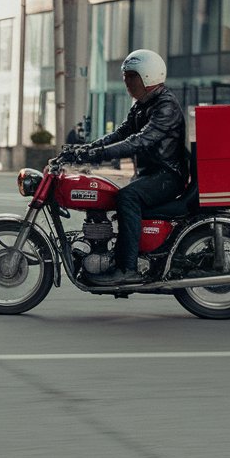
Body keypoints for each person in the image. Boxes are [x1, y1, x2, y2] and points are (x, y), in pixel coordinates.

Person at [74, 49, 188, 286]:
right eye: (125, 76)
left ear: (148, 76)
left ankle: (127, 268)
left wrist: (99, 154)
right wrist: (85, 149)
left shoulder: (165, 106)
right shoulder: (142, 105)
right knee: (110, 195)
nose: (126, 81)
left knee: (128, 197)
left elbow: (139, 140)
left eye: (131, 76)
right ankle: (112, 254)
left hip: (167, 176)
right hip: (150, 174)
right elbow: (121, 133)